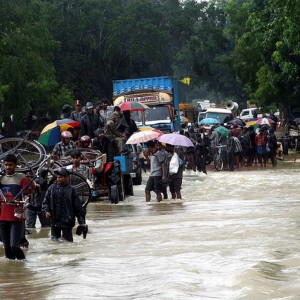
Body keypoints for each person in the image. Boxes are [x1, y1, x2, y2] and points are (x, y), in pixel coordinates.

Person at [0, 154, 33, 260]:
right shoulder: (1, 178)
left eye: (10, 165)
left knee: (14, 245)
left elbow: (28, 196)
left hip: (16, 217)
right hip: (2, 217)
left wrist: (24, 207)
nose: (8, 167)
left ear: (15, 165)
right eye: (6, 165)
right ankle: (13, 272)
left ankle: (23, 263)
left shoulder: (22, 178)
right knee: (7, 248)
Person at [42, 167, 87, 242]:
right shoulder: (51, 188)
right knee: (54, 243)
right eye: (57, 177)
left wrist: (82, 222)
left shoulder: (72, 190)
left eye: (60, 177)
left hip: (67, 223)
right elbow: (45, 202)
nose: (58, 179)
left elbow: (78, 209)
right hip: (54, 221)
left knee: (68, 244)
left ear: (67, 177)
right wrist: (46, 211)